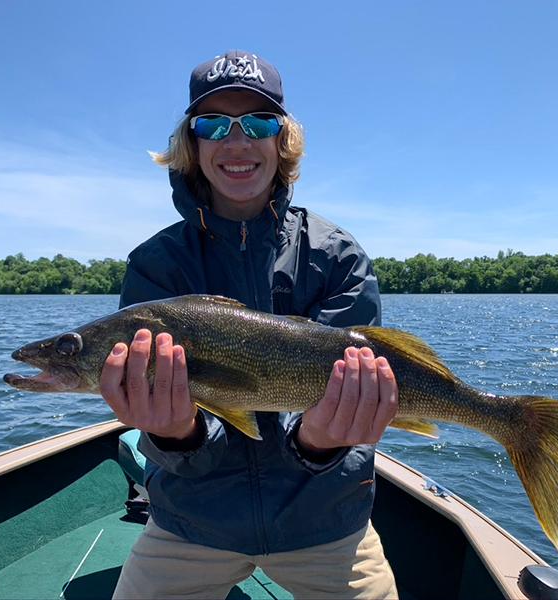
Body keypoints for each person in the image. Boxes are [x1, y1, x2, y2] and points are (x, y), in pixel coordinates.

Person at [100, 50, 400, 599]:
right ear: (190, 144)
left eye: (258, 122)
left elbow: (358, 384)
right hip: (192, 524)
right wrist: (175, 433)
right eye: (212, 123)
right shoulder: (156, 266)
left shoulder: (338, 256)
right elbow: (187, 433)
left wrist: (320, 442)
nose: (235, 142)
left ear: (281, 139)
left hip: (326, 524)